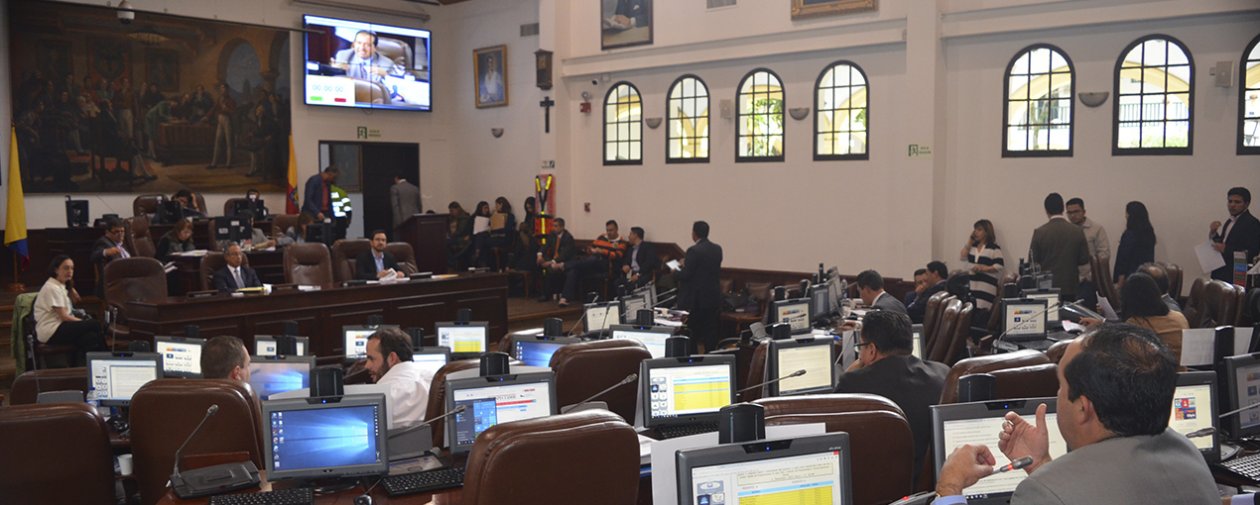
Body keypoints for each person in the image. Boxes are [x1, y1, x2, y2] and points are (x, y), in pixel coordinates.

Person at [934, 323, 1218, 505]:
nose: (1057, 395)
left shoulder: (1042, 494)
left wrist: (950, 486)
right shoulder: (1188, 453)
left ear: (1083, 408)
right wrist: (1042, 465)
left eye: (1060, 386)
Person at [835, 310, 947, 482]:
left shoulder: (853, 384)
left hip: (876, 486)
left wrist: (850, 373)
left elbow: (831, 428)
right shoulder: (943, 373)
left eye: (861, 347)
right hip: (934, 483)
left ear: (872, 350)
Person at [1081, 272, 1188, 364]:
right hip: (1185, 376)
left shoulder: (1137, 324)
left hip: (1156, 378)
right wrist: (1102, 323)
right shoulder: (1179, 317)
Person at [34, 255, 105, 366]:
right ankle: (107, 360)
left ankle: (84, 369)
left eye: (72, 268)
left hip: (61, 326)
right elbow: (64, 316)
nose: (70, 271)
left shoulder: (60, 286)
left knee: (90, 338)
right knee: (94, 324)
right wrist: (83, 323)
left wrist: (71, 288)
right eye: (66, 268)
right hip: (51, 330)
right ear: (56, 270)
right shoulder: (51, 287)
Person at [365, 328, 433, 427]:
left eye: (371, 359)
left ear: (392, 358)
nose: (367, 366)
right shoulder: (433, 378)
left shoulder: (385, 395)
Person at [1029, 193, 1090, 301]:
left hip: (1047, 288)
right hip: (1071, 286)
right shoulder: (1077, 231)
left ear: (1046, 210)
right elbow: (1084, 259)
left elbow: (1033, 262)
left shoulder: (1039, 232)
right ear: (1063, 208)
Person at [676, 221, 723, 353]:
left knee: (693, 331)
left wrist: (676, 271)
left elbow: (686, 275)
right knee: (710, 331)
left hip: (696, 299)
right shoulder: (717, 249)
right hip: (713, 296)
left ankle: (694, 358)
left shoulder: (693, 250)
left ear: (694, 233)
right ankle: (711, 356)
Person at [560, 220, 627, 306]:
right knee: (574, 270)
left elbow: (617, 255)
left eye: (611, 230)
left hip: (606, 265)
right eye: (607, 230)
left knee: (594, 259)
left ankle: (565, 265)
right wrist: (591, 250)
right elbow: (591, 247)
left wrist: (602, 251)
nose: (609, 232)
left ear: (616, 229)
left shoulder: (621, 242)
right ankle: (564, 298)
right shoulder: (602, 237)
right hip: (592, 262)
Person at [1209, 187, 1260, 282]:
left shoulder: (1252, 223)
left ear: (1246, 204)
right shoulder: (1230, 221)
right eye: (1230, 201)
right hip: (1220, 271)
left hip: (1236, 274)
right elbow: (1222, 243)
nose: (1232, 205)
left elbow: (1252, 252)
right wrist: (1213, 233)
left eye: (1237, 202)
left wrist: (1226, 249)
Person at [1066, 197, 1109, 307]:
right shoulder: (1066, 230)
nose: (1073, 215)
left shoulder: (1096, 229)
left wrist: (1091, 274)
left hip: (1089, 281)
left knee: (1088, 312)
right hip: (1070, 281)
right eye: (1069, 213)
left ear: (1084, 212)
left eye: (1076, 211)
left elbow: (1104, 253)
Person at [960, 219, 1004, 316]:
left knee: (982, 312)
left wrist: (983, 268)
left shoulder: (994, 248)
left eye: (979, 230)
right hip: (972, 285)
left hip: (986, 286)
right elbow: (962, 256)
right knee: (970, 311)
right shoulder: (973, 246)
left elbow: (999, 266)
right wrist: (970, 241)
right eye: (975, 230)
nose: (976, 232)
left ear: (987, 232)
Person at [332, 30, 399, 84]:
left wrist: (386, 75)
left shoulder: (387, 64)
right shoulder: (343, 56)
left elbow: (395, 87)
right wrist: (334, 70)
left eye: (367, 45)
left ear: (375, 48)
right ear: (354, 44)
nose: (362, 48)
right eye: (359, 43)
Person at [1113, 201, 1156, 284]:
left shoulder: (1129, 235)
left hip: (1130, 276)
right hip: (1147, 276)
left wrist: (1120, 278)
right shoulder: (1149, 234)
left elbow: (1123, 258)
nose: (1125, 216)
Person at [537, 217, 577, 302]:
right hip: (554, 259)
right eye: (553, 226)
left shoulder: (568, 238)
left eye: (556, 226)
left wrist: (551, 262)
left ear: (562, 227)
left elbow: (564, 255)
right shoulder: (552, 235)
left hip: (564, 262)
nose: (553, 228)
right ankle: (539, 292)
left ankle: (546, 294)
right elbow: (545, 245)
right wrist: (540, 255)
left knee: (550, 269)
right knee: (538, 264)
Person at [89, 216, 130, 297]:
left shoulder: (122, 244)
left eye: (122, 231)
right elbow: (93, 257)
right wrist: (106, 252)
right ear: (107, 232)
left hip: (125, 280)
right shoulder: (103, 242)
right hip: (111, 284)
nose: (120, 234)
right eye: (116, 232)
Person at [480, 197, 517, 270]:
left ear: (501, 205)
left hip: (505, 237)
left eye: (497, 205)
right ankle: (486, 265)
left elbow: (508, 229)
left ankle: (491, 266)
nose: (496, 207)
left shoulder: (510, 216)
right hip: (496, 236)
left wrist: (499, 227)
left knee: (487, 242)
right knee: (483, 240)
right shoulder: (494, 216)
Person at [619, 226, 658, 291]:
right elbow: (626, 260)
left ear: (635, 235)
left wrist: (638, 274)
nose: (628, 236)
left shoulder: (647, 247)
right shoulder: (631, 249)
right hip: (631, 273)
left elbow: (649, 263)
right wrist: (625, 265)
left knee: (631, 285)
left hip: (643, 274)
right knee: (618, 282)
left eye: (630, 234)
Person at [206, 83, 235, 168]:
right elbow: (214, 108)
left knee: (229, 142)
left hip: (227, 120)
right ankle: (214, 163)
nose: (222, 90)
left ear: (227, 89)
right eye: (221, 88)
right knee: (217, 141)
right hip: (220, 120)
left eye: (223, 88)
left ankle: (228, 163)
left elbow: (233, 111)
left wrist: (227, 109)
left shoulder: (231, 100)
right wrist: (207, 116)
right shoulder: (219, 98)